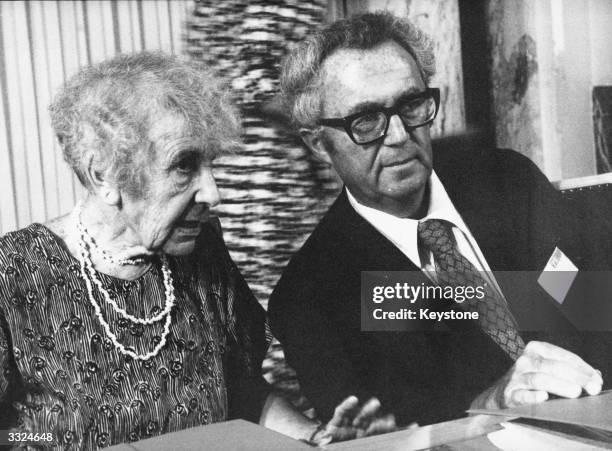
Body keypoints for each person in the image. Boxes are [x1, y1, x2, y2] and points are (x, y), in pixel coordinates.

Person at [0, 52, 396, 449]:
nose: (213, 193)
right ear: (103, 174)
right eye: (183, 165)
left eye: (211, 165)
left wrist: (316, 439)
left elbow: (245, 395)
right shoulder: (13, 273)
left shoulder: (202, 252)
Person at [268, 12, 606, 427]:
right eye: (365, 120)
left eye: (411, 105)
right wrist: (491, 401)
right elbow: (387, 435)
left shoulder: (507, 181)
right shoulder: (310, 298)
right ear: (319, 144)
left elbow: (589, 305)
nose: (398, 136)